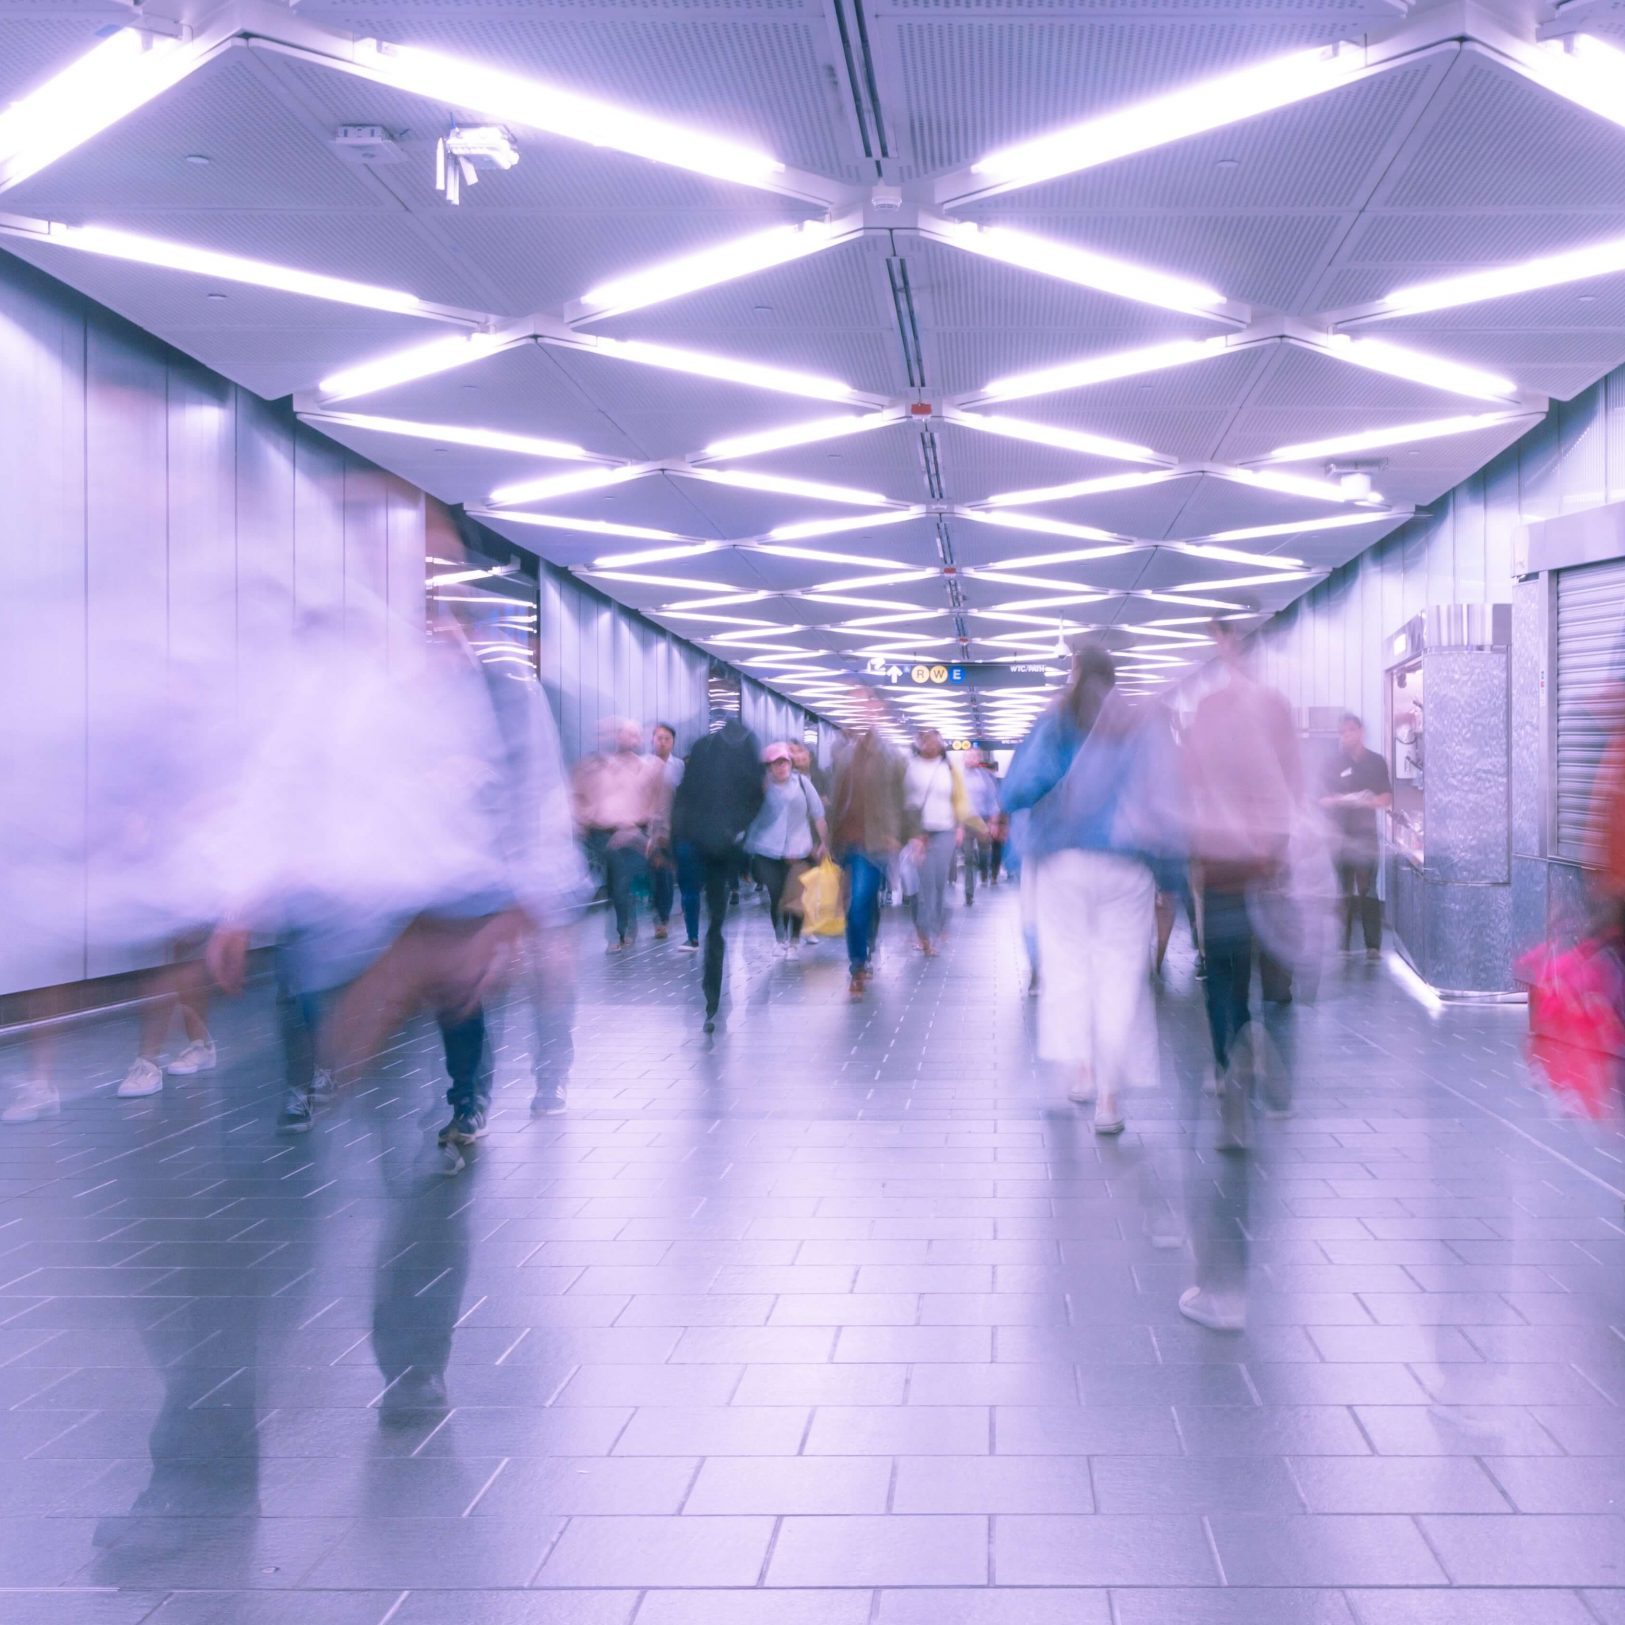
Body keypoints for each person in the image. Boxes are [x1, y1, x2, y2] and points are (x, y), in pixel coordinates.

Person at [1003, 642, 1182, 1135]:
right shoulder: (1144, 724)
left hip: (1063, 863)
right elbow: (1169, 801)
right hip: (1128, 865)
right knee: (1121, 976)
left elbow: (1016, 790)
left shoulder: (1058, 719)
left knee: (1069, 969)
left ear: (1076, 671)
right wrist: (1171, 878)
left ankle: (1081, 1071)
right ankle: (1109, 1100)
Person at [1184, 614, 1305, 1137]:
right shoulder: (1273, 707)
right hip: (1257, 862)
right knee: (1251, 973)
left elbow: (1191, 782)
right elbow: (1293, 783)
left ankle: (1227, 1061)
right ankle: (1244, 1057)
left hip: (1226, 863)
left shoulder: (1214, 710)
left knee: (1225, 974)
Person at [671, 715, 764, 1032]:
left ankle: (711, 994)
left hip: (699, 838)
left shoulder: (702, 747)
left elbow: (685, 794)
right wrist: (736, 829)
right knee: (716, 918)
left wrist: (677, 836)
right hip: (721, 843)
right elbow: (756, 795)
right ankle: (711, 992)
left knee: (708, 911)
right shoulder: (748, 748)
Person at [829, 705, 905, 998]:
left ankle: (858, 963)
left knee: (860, 901)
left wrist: (899, 834)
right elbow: (836, 799)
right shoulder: (843, 756)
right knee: (858, 904)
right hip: (846, 841)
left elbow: (901, 798)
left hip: (874, 843)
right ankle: (861, 957)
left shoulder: (890, 756)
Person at [571, 720, 664, 950]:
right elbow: (579, 796)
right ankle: (623, 930)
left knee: (624, 882)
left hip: (633, 832)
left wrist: (648, 830)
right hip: (603, 833)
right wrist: (586, 820)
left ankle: (624, 931)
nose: (627, 739)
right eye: (623, 734)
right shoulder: (594, 767)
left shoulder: (647, 768)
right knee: (617, 884)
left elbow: (655, 801)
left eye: (633, 735)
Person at [1319, 712, 1392, 959]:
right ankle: (1342, 945)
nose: (1346, 736)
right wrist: (1343, 800)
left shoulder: (1376, 762)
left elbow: (1386, 798)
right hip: (1340, 837)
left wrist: (1366, 801)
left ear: (1360, 731)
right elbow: (1322, 799)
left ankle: (1373, 946)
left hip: (1366, 837)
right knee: (1343, 889)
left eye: (1350, 730)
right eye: (1342, 732)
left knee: (1367, 889)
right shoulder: (1332, 763)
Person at [745, 743, 827, 955]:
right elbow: (752, 816)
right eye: (776, 764)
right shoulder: (762, 787)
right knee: (777, 895)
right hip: (768, 850)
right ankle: (780, 938)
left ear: (790, 764)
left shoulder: (802, 783)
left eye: (784, 763)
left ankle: (794, 939)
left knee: (796, 897)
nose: (781, 767)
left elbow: (818, 813)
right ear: (769, 767)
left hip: (799, 850)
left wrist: (824, 842)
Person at [903, 728, 971, 955]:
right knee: (926, 885)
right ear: (920, 744)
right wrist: (913, 833)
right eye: (928, 741)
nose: (932, 745)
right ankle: (925, 936)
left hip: (945, 830)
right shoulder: (911, 768)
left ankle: (935, 924)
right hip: (921, 832)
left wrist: (960, 826)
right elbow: (905, 802)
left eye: (936, 741)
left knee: (940, 882)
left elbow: (959, 798)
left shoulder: (949, 768)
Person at [647, 723, 684, 941]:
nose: (662, 742)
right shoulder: (643, 764)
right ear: (652, 740)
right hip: (646, 829)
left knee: (665, 876)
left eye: (667, 738)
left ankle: (662, 918)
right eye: (659, 738)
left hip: (670, 830)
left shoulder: (678, 767)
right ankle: (656, 913)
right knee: (651, 877)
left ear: (673, 742)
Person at [961, 755, 1002, 905]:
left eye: (974, 756)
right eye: (968, 756)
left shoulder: (985, 777)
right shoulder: (958, 776)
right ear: (963, 759)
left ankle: (984, 872)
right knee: (968, 858)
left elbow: (992, 799)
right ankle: (969, 892)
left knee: (984, 853)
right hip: (966, 821)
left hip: (983, 821)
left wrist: (994, 821)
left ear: (978, 759)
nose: (971, 759)